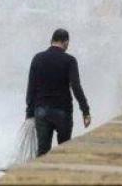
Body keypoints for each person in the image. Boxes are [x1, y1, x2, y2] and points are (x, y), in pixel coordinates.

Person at [26, 28, 91, 157]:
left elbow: (31, 88)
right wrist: (85, 111)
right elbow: (76, 87)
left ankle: (40, 176)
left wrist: (29, 112)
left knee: (43, 152)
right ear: (66, 42)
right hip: (63, 111)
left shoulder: (37, 58)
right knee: (63, 152)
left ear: (51, 41)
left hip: (41, 111)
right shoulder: (70, 61)